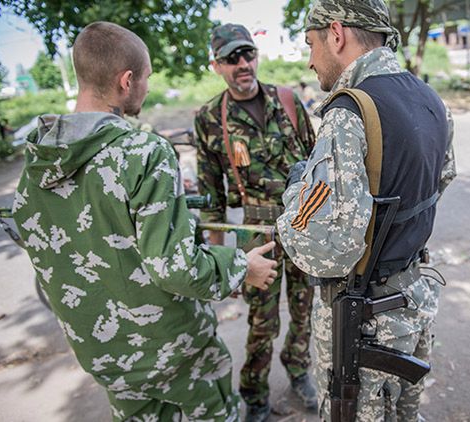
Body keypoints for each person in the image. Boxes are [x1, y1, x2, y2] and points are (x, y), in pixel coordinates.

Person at [12, 21, 278, 422]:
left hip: (105, 359)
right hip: (174, 352)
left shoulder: (36, 165)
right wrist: (243, 267)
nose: (149, 88)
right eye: (148, 78)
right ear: (127, 80)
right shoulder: (143, 151)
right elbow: (174, 268)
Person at [276, 1, 456, 421]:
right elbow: (441, 179)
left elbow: (324, 250)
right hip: (411, 298)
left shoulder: (349, 111)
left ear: (336, 34)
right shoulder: (429, 97)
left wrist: (294, 195)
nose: (309, 61)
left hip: (366, 319)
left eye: (311, 44)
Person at [194, 23, 318, 421]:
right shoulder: (211, 118)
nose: (243, 64)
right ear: (217, 65)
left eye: (248, 54)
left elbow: (319, 164)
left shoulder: (288, 100)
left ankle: (299, 370)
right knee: (262, 321)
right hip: (257, 232)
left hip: (304, 220)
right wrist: (219, 260)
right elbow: (210, 194)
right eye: (232, 58)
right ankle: (256, 395)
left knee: (304, 307)